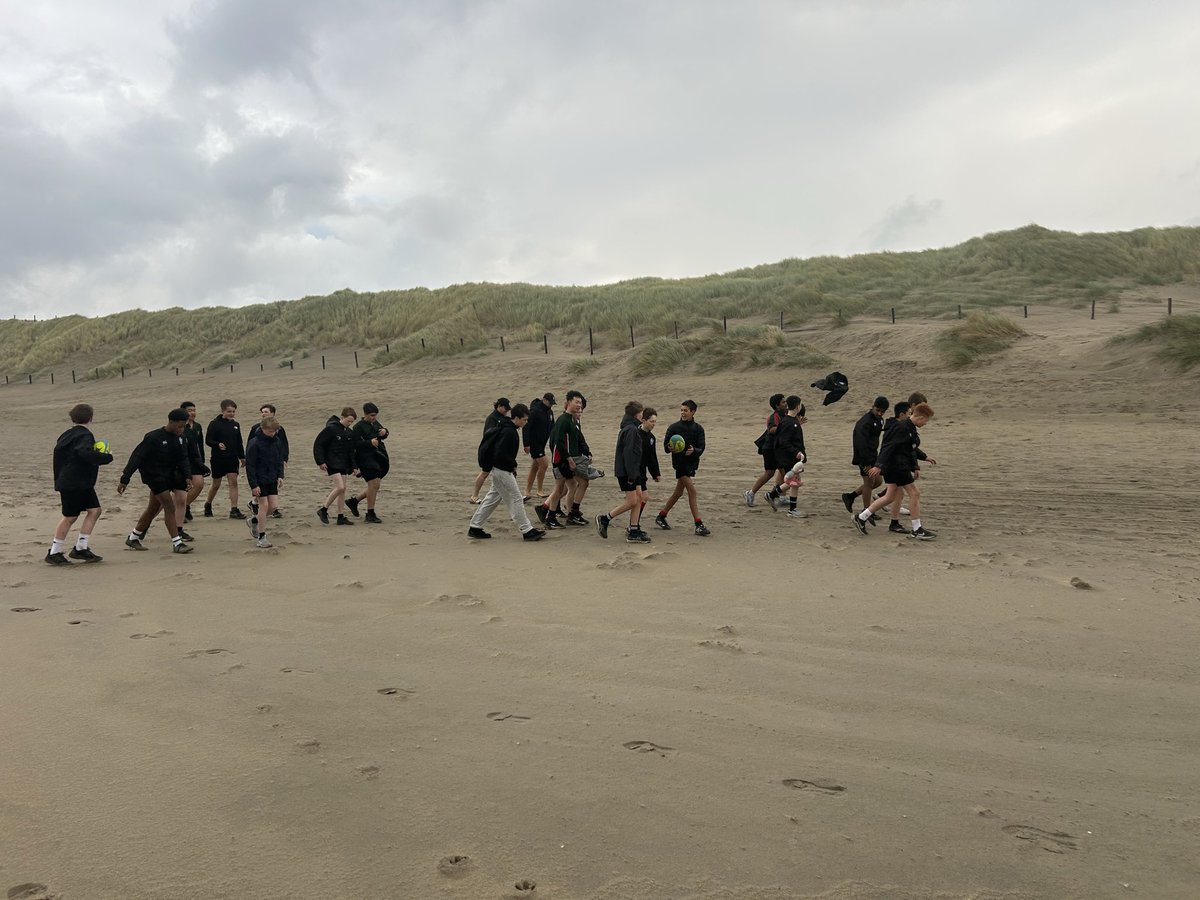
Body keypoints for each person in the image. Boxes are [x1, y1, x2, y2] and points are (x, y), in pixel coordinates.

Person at [853, 402, 937, 539]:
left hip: (896, 466)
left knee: (890, 496)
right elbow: (888, 446)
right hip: (897, 466)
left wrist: (924, 457)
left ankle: (861, 517)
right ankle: (917, 529)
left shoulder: (909, 428)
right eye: (926, 421)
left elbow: (911, 447)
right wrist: (878, 465)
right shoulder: (902, 427)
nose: (926, 423)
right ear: (921, 417)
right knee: (914, 493)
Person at [117, 408, 194, 554]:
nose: (181, 429)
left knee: (152, 509)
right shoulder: (153, 437)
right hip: (153, 475)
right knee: (169, 507)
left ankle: (133, 537)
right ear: (171, 422)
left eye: (184, 426)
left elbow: (183, 458)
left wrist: (187, 476)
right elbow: (137, 457)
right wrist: (125, 478)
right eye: (179, 426)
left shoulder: (182, 438)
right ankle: (177, 543)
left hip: (169, 475)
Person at [47, 403, 114, 565]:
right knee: (70, 517)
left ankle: (81, 548)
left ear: (72, 418)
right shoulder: (85, 436)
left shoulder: (66, 435)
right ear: (91, 418)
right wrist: (105, 457)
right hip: (75, 482)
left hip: (73, 482)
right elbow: (84, 453)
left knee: (94, 510)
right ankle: (55, 552)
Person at [468, 403, 546, 541]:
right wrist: (512, 466)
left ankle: (475, 527)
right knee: (516, 498)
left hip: (499, 469)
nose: (526, 422)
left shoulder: (506, 427)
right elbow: (500, 454)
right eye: (524, 419)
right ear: (516, 418)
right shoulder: (509, 431)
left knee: (492, 497)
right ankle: (527, 530)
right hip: (502, 470)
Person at [597, 407, 659, 543]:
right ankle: (605, 518)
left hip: (633, 471)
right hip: (629, 472)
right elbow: (630, 455)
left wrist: (655, 473)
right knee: (633, 501)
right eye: (643, 415)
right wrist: (632, 475)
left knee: (640, 498)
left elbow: (649, 457)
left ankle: (633, 529)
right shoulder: (632, 430)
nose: (653, 423)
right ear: (638, 415)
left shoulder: (636, 431)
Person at [655, 400, 710, 535]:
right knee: (692, 492)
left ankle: (661, 516)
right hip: (679, 464)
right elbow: (666, 447)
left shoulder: (698, 429)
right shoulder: (674, 428)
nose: (683, 413)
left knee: (678, 492)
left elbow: (701, 447)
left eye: (685, 410)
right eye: (681, 410)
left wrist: (694, 451)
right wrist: (670, 447)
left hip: (691, 464)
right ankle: (698, 524)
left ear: (693, 412)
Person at [536, 391, 590, 528]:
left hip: (566, 459)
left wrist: (585, 453)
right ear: (568, 402)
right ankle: (551, 517)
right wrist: (568, 459)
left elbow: (578, 439)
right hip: (560, 460)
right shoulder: (563, 420)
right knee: (560, 489)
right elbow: (557, 441)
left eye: (580, 403)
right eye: (577, 402)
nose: (579, 405)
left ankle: (571, 513)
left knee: (574, 485)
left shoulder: (571, 420)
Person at [842, 396, 889, 517]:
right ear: (873, 406)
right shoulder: (865, 422)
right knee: (869, 483)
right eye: (877, 410)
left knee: (878, 481)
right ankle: (867, 511)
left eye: (882, 412)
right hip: (863, 457)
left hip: (873, 456)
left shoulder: (879, 420)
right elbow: (860, 443)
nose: (879, 413)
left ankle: (850, 496)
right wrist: (866, 463)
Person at [313, 407, 361, 525]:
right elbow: (319, 444)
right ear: (342, 417)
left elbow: (351, 452)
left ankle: (341, 516)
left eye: (352, 422)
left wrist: (354, 466)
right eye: (348, 421)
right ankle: (323, 509)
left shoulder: (349, 433)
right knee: (340, 487)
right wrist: (320, 461)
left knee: (343, 490)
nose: (350, 423)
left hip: (344, 464)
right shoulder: (331, 429)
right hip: (332, 462)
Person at [245, 415, 285, 548]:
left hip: (272, 478)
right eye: (269, 431)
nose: (272, 434)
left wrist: (280, 475)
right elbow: (250, 466)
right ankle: (262, 537)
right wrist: (253, 485)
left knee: (273, 506)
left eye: (274, 431)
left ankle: (254, 520)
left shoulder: (277, 441)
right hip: (259, 479)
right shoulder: (254, 443)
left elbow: (279, 460)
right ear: (262, 429)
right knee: (264, 505)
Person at [765, 396, 808, 516]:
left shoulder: (791, 421)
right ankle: (792, 509)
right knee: (794, 481)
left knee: (793, 481)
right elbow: (784, 442)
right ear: (797, 406)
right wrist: (797, 453)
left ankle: (772, 495)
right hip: (789, 457)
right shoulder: (788, 422)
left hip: (792, 457)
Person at [204, 399, 246, 519]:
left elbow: (239, 442)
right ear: (223, 411)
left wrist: (242, 457)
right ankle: (208, 504)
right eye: (229, 411)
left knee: (233, 482)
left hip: (232, 458)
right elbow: (208, 440)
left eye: (233, 411)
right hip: (218, 458)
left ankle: (234, 509)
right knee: (216, 484)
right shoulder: (214, 424)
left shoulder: (235, 425)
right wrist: (217, 444)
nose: (231, 414)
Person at [349, 402, 389, 523]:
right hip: (364, 458)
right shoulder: (358, 427)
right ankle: (370, 513)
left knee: (375, 485)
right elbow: (355, 444)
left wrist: (385, 432)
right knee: (374, 484)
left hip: (377, 457)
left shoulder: (375, 423)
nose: (374, 418)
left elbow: (383, 435)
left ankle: (354, 501)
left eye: (375, 415)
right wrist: (369, 443)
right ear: (365, 414)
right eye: (372, 415)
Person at [744, 393, 787, 506]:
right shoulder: (774, 416)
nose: (785, 403)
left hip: (778, 448)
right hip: (770, 448)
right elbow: (772, 429)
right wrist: (784, 427)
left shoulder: (784, 415)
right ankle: (751, 493)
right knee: (770, 473)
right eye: (783, 402)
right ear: (777, 406)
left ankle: (780, 496)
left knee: (783, 471)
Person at [248, 404, 289, 518]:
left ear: (273, 413)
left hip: (272, 471)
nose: (263, 414)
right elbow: (250, 451)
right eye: (262, 412)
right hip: (260, 471)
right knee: (264, 502)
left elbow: (283, 447)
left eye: (266, 411)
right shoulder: (255, 431)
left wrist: (284, 460)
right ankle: (257, 518)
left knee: (272, 504)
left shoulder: (279, 431)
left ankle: (258, 516)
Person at [470, 398, 511, 503]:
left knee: (500, 473)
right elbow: (488, 435)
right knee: (485, 473)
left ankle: (505, 495)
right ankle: (474, 496)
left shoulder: (503, 418)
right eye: (505, 408)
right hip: (489, 451)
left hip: (497, 451)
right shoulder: (492, 418)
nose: (506, 411)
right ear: (499, 406)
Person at [522, 392, 556, 501]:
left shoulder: (550, 412)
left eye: (552, 403)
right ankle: (539, 490)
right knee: (544, 464)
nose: (551, 405)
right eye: (550, 402)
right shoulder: (535, 411)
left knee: (535, 467)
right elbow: (526, 427)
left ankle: (527, 491)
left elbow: (553, 427)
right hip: (534, 443)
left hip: (542, 443)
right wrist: (526, 444)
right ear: (544, 400)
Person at [180, 401, 208, 522]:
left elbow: (200, 445)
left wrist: (202, 461)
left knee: (199, 484)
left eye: (194, 410)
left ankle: (185, 505)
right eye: (189, 410)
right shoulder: (180, 428)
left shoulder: (197, 426)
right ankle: (180, 509)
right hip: (183, 461)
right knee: (184, 487)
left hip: (196, 461)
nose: (192, 413)